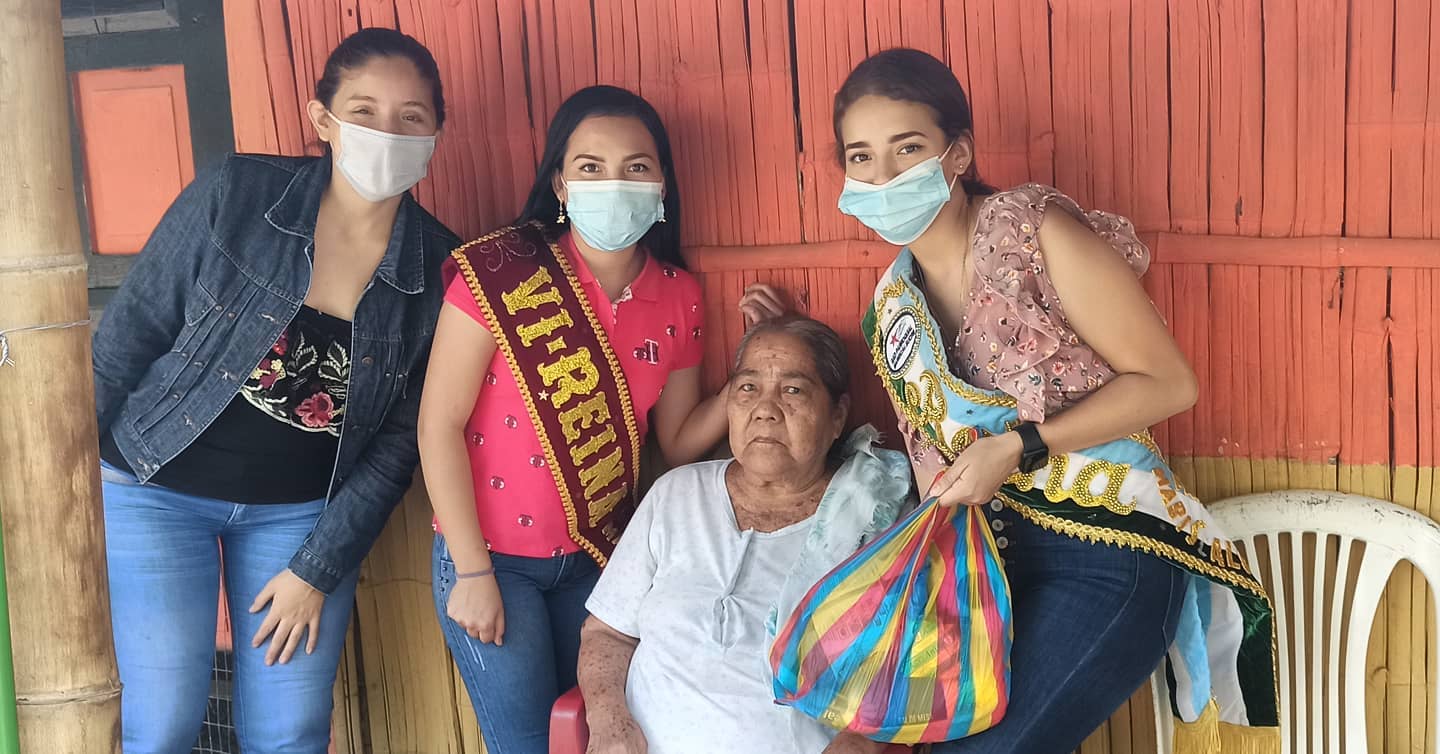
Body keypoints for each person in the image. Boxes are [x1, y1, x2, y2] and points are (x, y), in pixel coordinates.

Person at [834, 49, 1279, 753]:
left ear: (957, 154)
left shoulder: (1031, 233)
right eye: (861, 157)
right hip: (989, 571)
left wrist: (1020, 446)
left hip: (1108, 547)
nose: (882, 177)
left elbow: (1169, 383)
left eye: (907, 149)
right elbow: (935, 475)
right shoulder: (894, 304)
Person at [92, 28, 458, 754]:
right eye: (364, 111)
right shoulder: (239, 193)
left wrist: (316, 569)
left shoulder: (439, 269)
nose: (387, 133)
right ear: (322, 119)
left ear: (434, 136)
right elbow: (129, 333)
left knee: (288, 733)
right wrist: (56, 487)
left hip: (298, 518)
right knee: (160, 725)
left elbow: (398, 446)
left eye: (411, 117)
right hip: (154, 488)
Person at [417, 85, 785, 754]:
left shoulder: (678, 295)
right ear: (560, 182)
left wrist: (750, 372)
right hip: (492, 560)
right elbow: (438, 425)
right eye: (591, 167)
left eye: (636, 167)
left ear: (662, 184)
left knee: (592, 734)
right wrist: (470, 572)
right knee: (528, 745)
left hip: (599, 561)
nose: (614, 183)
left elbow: (677, 441)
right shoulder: (500, 275)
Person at [578, 315, 915, 754]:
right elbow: (607, 633)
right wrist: (609, 721)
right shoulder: (676, 494)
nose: (765, 409)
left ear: (837, 416)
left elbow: (905, 667)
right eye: (748, 388)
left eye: (793, 391)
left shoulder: (872, 515)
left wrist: (858, 743)